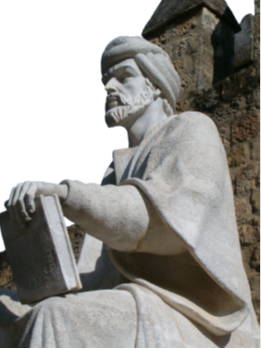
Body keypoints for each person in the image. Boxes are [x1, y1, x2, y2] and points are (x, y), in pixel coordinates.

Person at [0, 36, 259, 348]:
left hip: (196, 318)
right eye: (106, 81)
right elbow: (95, 283)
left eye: (124, 77)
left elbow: (150, 218)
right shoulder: (114, 174)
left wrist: (66, 195)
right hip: (132, 305)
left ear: (155, 85)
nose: (110, 88)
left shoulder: (192, 130)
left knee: (54, 318)